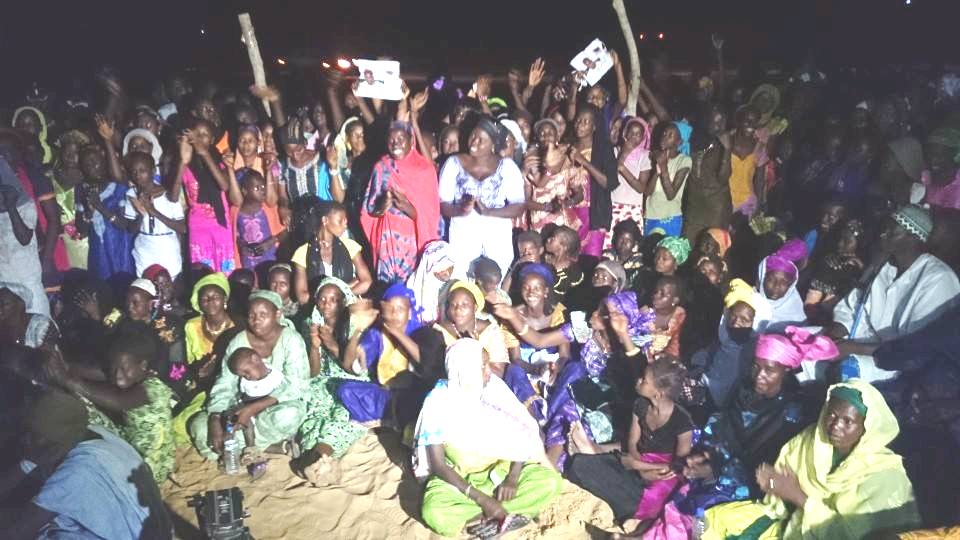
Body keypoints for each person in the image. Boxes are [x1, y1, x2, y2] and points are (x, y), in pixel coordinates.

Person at [701, 380, 921, 540]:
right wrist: (775, 487)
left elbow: (850, 535)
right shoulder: (812, 439)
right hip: (790, 522)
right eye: (831, 415)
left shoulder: (885, 477)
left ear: (866, 427)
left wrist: (797, 496)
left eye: (848, 421)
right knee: (708, 521)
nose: (835, 426)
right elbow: (779, 498)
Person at [673, 327, 836, 525]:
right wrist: (708, 453)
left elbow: (769, 470)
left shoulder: (795, 412)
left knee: (699, 515)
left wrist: (716, 468)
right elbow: (726, 428)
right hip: (724, 462)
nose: (759, 376)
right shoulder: (745, 390)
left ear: (786, 370)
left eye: (769, 370)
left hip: (752, 484)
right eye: (756, 367)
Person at [415, 338, 562, 538]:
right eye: (482, 366)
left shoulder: (494, 388)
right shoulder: (438, 402)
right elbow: (439, 465)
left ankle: (483, 520)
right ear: (464, 370)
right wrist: (482, 500)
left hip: (498, 473)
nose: (489, 371)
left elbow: (522, 436)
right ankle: (499, 515)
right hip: (460, 481)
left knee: (549, 482)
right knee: (434, 511)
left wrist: (512, 478)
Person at [10, 389, 172, 540]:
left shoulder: (77, 474)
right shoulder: (92, 433)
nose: (25, 439)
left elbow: (18, 530)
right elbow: (30, 463)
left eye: (32, 434)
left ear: (54, 443)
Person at [828, 205, 960, 383]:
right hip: (863, 343)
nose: (883, 235)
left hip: (901, 364)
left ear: (913, 238)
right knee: (796, 348)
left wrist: (853, 348)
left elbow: (916, 349)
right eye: (884, 230)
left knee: (845, 370)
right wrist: (833, 335)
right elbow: (854, 308)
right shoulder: (883, 265)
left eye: (892, 232)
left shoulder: (938, 279)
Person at [566, 358, 694, 537]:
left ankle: (637, 515)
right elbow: (633, 441)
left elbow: (679, 467)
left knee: (636, 496)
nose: (638, 380)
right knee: (580, 465)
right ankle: (596, 455)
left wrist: (639, 467)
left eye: (644, 380)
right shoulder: (640, 405)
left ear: (657, 394)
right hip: (639, 460)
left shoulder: (682, 421)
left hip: (661, 478)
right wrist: (635, 460)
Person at [190, 290, 309, 461]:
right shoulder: (238, 342)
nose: (256, 320)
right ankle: (265, 447)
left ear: (277, 314)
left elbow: (297, 387)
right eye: (252, 314)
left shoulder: (291, 339)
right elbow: (225, 383)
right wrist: (215, 417)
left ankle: (240, 449)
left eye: (263, 314)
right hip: (241, 407)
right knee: (199, 427)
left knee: (290, 415)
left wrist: (253, 408)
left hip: (274, 406)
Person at [46, 329, 176, 484]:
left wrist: (66, 380)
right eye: (114, 368)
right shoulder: (139, 376)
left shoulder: (150, 390)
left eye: (123, 369)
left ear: (143, 365)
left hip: (145, 470)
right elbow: (103, 374)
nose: (118, 375)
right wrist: (65, 366)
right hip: (145, 453)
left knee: (83, 405)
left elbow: (117, 400)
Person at [296, 277, 375, 469]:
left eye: (333, 299)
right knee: (312, 414)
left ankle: (322, 454)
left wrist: (331, 344)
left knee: (344, 416)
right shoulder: (311, 323)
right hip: (323, 383)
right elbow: (313, 373)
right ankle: (315, 457)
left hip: (352, 382)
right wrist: (314, 347)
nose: (327, 304)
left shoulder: (355, 325)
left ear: (344, 301)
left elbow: (355, 369)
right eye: (322, 299)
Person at [440, 116, 526, 279]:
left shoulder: (507, 166)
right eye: (473, 136)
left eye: (481, 140)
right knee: (462, 279)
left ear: (493, 146)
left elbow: (519, 206)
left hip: (496, 234)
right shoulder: (453, 163)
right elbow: (442, 204)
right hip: (463, 232)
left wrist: (489, 211)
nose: (474, 142)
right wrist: (461, 209)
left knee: (495, 280)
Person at [361, 121, 441, 283]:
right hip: (387, 239)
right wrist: (383, 205)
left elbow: (430, 216)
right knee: (386, 291)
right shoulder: (382, 167)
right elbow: (370, 212)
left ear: (412, 141)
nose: (395, 143)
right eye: (391, 139)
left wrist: (406, 206)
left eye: (400, 138)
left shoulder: (424, 171)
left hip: (413, 242)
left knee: (410, 291)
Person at [337, 282, 426, 427]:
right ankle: (385, 421)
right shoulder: (377, 334)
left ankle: (383, 420)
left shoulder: (421, 333)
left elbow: (426, 364)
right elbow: (350, 366)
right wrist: (358, 330)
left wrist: (396, 332)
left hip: (411, 397)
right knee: (345, 390)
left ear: (410, 312)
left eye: (400, 309)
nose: (395, 313)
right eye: (390, 309)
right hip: (385, 396)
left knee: (418, 401)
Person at [688, 279, 772, 410]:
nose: (736, 322)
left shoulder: (754, 353)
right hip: (704, 390)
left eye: (745, 320)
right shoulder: (724, 338)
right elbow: (708, 359)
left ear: (755, 323)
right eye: (733, 316)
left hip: (727, 406)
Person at [173, 272, 237, 445]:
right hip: (200, 383)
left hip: (228, 385)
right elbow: (187, 360)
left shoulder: (236, 326)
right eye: (205, 298)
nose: (210, 301)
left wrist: (216, 369)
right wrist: (198, 370)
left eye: (215, 296)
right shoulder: (192, 326)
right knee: (178, 423)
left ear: (225, 299)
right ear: (199, 303)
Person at [170, 119, 236, 275]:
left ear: (213, 140)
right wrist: (182, 162)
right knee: (202, 271)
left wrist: (204, 153)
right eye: (196, 134)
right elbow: (173, 197)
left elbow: (224, 185)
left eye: (204, 135)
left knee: (226, 271)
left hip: (220, 223)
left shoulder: (220, 161)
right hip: (198, 225)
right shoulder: (186, 166)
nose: (199, 138)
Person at [120, 151, 185, 279]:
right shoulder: (131, 194)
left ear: (153, 171)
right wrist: (140, 213)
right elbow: (131, 229)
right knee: (146, 287)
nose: (138, 175)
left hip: (167, 249)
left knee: (169, 286)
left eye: (142, 170)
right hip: (144, 249)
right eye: (134, 172)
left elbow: (183, 228)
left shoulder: (169, 194)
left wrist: (153, 211)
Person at [75, 144, 135, 281]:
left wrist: (99, 206)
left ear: (104, 162)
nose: (92, 166)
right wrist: (89, 210)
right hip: (99, 253)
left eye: (95, 162)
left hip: (121, 249)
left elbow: (125, 225)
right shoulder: (81, 190)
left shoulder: (120, 187)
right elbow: (81, 229)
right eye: (87, 164)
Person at [292, 200, 372, 299]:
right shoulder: (302, 252)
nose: (345, 225)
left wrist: (341, 298)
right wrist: (344, 288)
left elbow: (366, 281)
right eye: (340, 221)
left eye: (346, 221)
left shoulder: (350, 246)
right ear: (325, 220)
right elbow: (302, 296)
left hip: (347, 306)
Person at [570, 105, 619, 256]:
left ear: (594, 126)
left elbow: (609, 183)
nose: (580, 124)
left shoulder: (604, 149)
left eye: (586, 122)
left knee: (591, 260)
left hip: (595, 214)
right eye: (578, 120)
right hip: (571, 213)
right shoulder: (569, 148)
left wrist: (584, 161)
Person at [521, 118, 586, 232]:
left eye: (550, 133)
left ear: (558, 137)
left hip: (563, 224)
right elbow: (525, 201)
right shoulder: (531, 162)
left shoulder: (567, 160)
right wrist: (548, 207)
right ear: (537, 139)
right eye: (542, 134)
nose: (546, 136)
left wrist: (567, 203)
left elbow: (579, 194)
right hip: (539, 224)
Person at [683, 106, 733, 242]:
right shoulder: (694, 140)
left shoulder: (723, 145)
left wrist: (727, 150)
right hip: (694, 205)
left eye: (723, 122)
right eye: (716, 121)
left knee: (711, 248)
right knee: (688, 246)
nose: (720, 126)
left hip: (715, 208)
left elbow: (723, 178)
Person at [224, 162, 285, 271]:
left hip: (270, 258)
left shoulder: (269, 208)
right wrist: (242, 246)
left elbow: (286, 232)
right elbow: (235, 235)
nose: (262, 190)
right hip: (248, 262)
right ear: (244, 191)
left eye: (263, 186)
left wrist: (270, 242)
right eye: (257, 188)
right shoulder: (236, 212)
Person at [804, 219, 865, 320]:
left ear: (860, 244)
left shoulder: (863, 268)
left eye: (847, 241)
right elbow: (813, 297)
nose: (840, 244)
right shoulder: (829, 261)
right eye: (840, 239)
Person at [609, 117, 652, 244]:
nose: (634, 137)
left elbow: (641, 188)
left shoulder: (645, 156)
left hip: (633, 209)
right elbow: (611, 178)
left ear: (643, 137)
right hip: (613, 206)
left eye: (638, 134)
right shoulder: (614, 151)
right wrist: (624, 154)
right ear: (624, 133)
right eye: (631, 132)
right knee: (611, 245)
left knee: (631, 246)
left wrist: (623, 169)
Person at [644, 123, 692, 236]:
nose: (665, 136)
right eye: (664, 133)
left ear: (679, 142)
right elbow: (648, 192)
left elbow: (671, 195)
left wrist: (663, 167)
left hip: (670, 216)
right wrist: (657, 168)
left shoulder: (684, 160)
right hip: (651, 214)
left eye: (670, 135)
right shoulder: (655, 157)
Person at [756, 240, 808, 328]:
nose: (776, 286)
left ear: (791, 285)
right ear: (762, 278)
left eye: (783, 282)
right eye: (771, 280)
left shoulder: (795, 312)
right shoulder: (749, 302)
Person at [406, 240, 456, 325]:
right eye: (441, 267)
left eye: (449, 266)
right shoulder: (414, 286)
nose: (446, 272)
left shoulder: (456, 285)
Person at [0, 282, 57, 348]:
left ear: (20, 304)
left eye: (4, 303)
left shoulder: (41, 326)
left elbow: (50, 356)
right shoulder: (3, 327)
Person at [641, 276, 686, 358]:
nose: (656, 296)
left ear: (675, 300)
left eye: (662, 294)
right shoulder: (644, 315)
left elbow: (678, 349)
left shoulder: (681, 318)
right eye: (656, 292)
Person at [728, 106, 761, 216]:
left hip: (747, 204)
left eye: (755, 122)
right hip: (725, 199)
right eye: (748, 121)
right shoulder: (726, 141)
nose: (751, 125)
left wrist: (758, 206)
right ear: (739, 121)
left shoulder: (759, 147)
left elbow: (759, 180)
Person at [922, 127, 960, 210]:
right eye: (930, 154)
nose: (933, 160)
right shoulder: (925, 177)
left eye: (939, 155)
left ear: (953, 154)